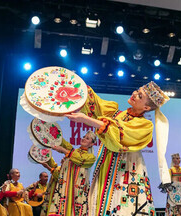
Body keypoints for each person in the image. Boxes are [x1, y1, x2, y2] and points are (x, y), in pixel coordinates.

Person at [66, 81, 171, 215]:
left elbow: (121, 133)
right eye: (137, 91)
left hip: (125, 171)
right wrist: (76, 84)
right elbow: (96, 104)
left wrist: (86, 120)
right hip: (105, 167)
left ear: (146, 108)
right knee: (100, 203)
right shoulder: (116, 114)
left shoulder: (145, 125)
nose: (134, 94)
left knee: (122, 206)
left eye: (139, 96)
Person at [43, 130, 96, 216]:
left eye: (87, 138)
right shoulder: (72, 153)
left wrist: (64, 150)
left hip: (78, 191)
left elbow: (80, 159)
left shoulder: (90, 157)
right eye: (84, 137)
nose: (84, 139)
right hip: (65, 190)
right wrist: (52, 131)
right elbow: (63, 143)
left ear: (92, 144)